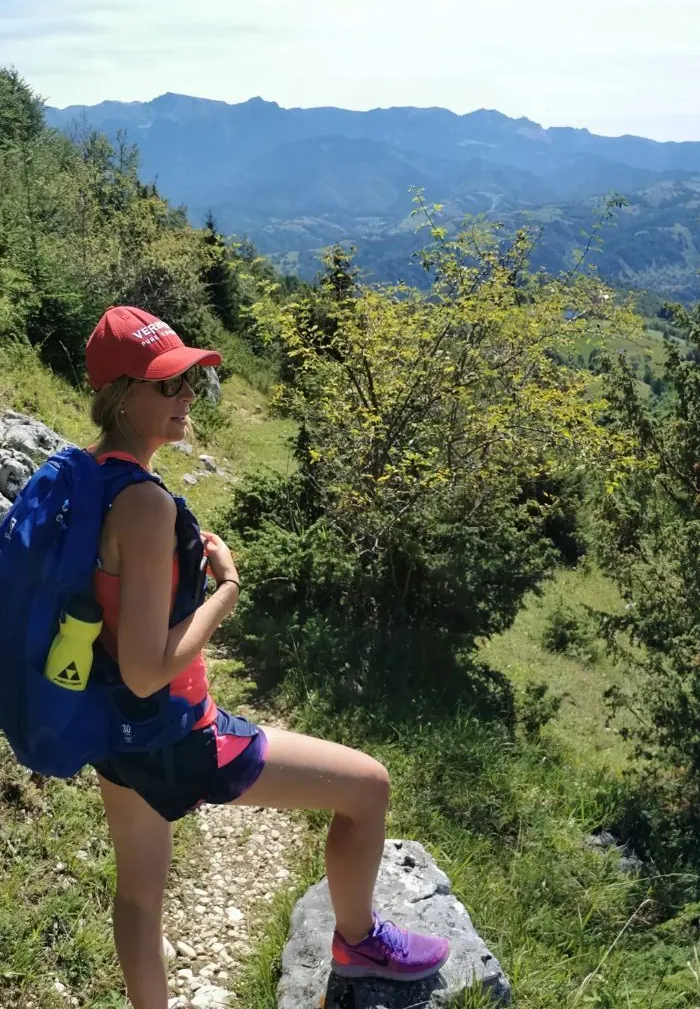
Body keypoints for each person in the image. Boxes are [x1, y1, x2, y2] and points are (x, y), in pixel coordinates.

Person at [80, 307, 449, 1005]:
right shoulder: (144, 504)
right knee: (369, 788)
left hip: (115, 729)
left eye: (189, 379)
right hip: (179, 732)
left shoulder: (90, 476)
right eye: (167, 385)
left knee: (138, 898)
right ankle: (359, 942)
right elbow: (148, 666)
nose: (188, 395)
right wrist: (228, 587)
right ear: (121, 394)